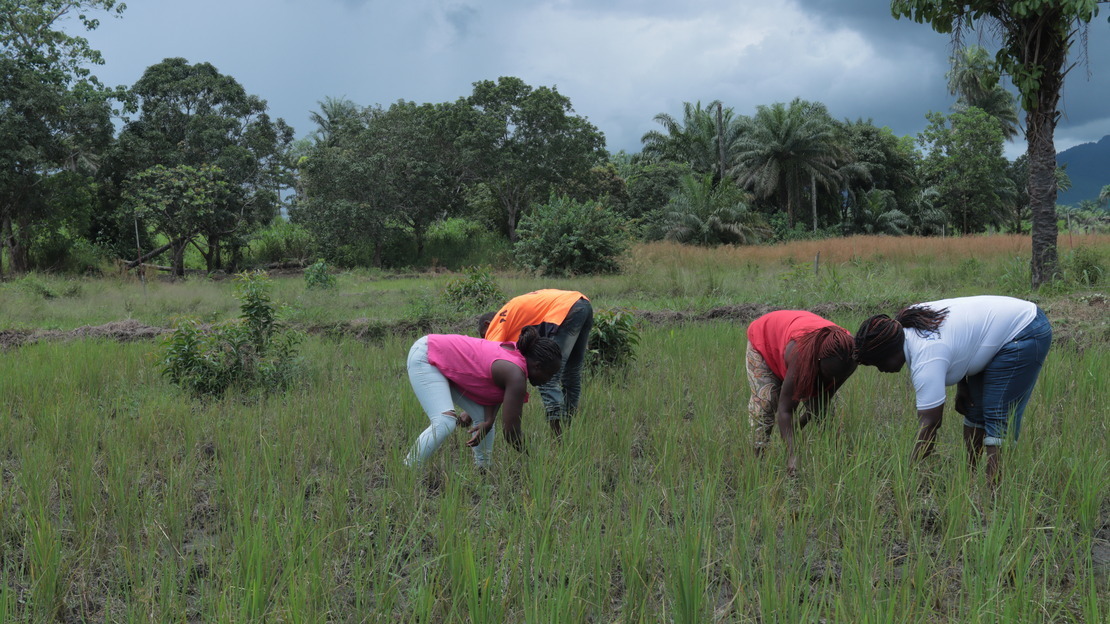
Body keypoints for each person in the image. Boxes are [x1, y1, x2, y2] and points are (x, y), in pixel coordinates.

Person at [854, 295, 1052, 485]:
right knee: (974, 409)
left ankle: (993, 493)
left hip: (1024, 329)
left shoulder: (926, 356)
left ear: (889, 352)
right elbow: (959, 337)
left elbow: (930, 424)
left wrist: (909, 474)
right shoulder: (909, 324)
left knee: (997, 414)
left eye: (878, 363)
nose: (881, 370)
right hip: (997, 328)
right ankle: (970, 478)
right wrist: (962, 383)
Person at [404, 327, 562, 468]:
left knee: (483, 419)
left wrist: (489, 419)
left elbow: (493, 390)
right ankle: (409, 468)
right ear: (537, 365)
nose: (549, 380)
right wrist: (540, 459)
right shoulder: (516, 374)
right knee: (445, 421)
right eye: (550, 374)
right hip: (427, 355)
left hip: (443, 358)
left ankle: (483, 468)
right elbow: (511, 432)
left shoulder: (516, 357)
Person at [745, 310, 857, 475]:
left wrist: (798, 425)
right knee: (766, 402)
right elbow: (785, 410)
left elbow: (823, 400)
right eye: (825, 376)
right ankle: (757, 464)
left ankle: (835, 462)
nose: (828, 382)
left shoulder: (851, 355)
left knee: (825, 412)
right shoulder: (801, 354)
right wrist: (793, 456)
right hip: (766, 340)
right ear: (817, 363)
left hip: (797, 336)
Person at [480, 289, 593, 436]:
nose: (486, 338)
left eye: (484, 335)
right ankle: (568, 428)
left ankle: (559, 438)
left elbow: (490, 364)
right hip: (582, 303)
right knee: (572, 373)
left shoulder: (495, 325)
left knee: (547, 373)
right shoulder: (513, 315)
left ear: (488, 324)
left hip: (564, 310)